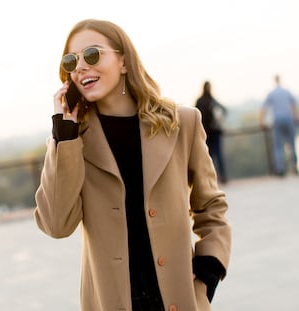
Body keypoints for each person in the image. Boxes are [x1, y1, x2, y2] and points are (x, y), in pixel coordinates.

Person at [34, 19, 231, 311]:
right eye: (71, 61)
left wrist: (209, 269)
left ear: (123, 62)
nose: (80, 66)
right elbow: (56, 225)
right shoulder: (73, 142)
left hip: (179, 299)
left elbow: (211, 206)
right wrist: (63, 134)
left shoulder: (182, 123)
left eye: (92, 54)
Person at [259, 75, 298, 176]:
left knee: (278, 146)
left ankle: (280, 169)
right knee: (292, 144)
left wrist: (261, 121)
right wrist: (296, 117)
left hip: (277, 119)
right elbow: (294, 105)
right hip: (289, 118)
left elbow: (264, 108)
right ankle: (295, 167)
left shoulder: (272, 93)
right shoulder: (286, 91)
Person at [195, 81, 228, 184]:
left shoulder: (200, 101)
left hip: (206, 132)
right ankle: (220, 177)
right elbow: (224, 110)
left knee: (209, 156)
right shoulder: (212, 101)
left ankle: (209, 179)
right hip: (213, 132)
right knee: (216, 155)